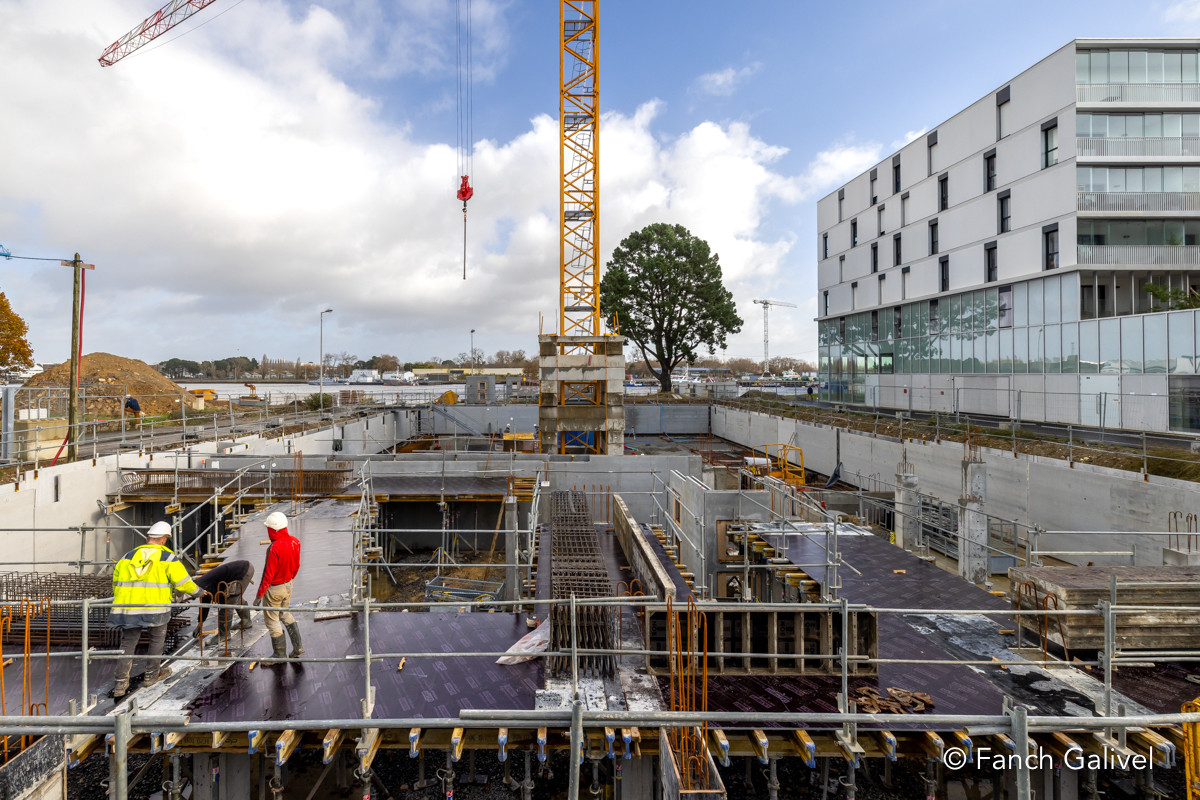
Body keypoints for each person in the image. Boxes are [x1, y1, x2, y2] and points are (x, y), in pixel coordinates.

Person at [109, 521, 199, 698]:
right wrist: (199, 592)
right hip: (156, 608)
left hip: (128, 608)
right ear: (164, 539)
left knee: (127, 644)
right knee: (157, 640)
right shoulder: (168, 558)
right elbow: (183, 582)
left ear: (147, 538)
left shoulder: (127, 556)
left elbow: (115, 583)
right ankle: (151, 675)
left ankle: (120, 684)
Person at [256, 512, 304, 662]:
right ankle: (298, 647)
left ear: (273, 530)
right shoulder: (295, 542)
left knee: (272, 620)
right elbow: (296, 566)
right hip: (288, 584)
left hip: (274, 588)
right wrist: (289, 581)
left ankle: (279, 654)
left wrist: (259, 596)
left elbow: (268, 575)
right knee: (284, 613)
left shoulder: (274, 547)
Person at [193, 560, 255, 637]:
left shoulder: (204, 587)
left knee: (227, 606)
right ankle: (246, 622)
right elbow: (205, 605)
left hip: (243, 572)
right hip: (245, 567)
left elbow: (205, 606)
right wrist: (199, 626)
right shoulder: (198, 584)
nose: (190, 600)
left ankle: (223, 636)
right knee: (235, 598)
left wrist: (199, 626)